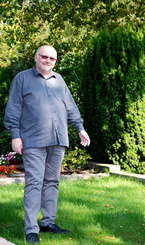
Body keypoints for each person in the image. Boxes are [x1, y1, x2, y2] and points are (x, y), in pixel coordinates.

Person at [3, 45, 91, 244]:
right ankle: (31, 230)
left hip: (58, 140)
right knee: (34, 183)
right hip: (33, 141)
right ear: (36, 57)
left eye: (52, 58)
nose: (48, 60)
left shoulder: (59, 80)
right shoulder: (22, 79)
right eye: (45, 56)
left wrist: (80, 128)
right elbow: (13, 109)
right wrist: (15, 136)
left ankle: (48, 222)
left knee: (52, 182)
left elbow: (70, 106)